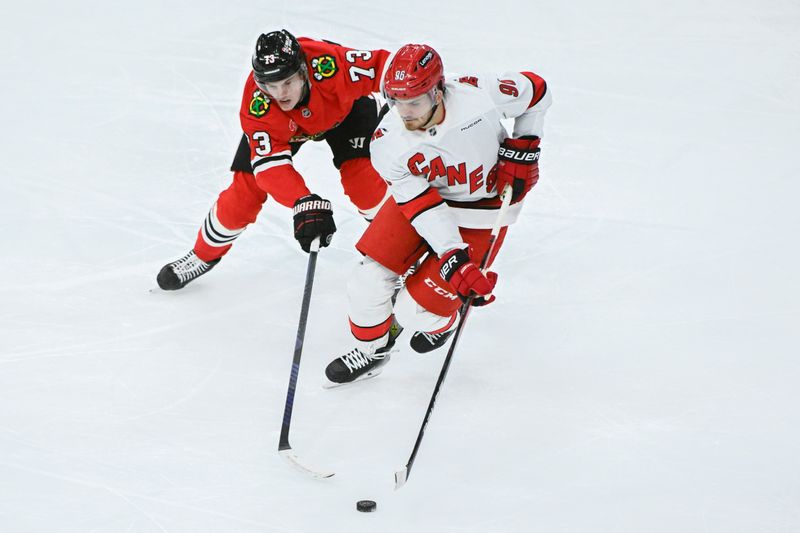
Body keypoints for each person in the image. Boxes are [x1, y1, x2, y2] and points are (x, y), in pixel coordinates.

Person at [324, 44, 552, 385]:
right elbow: (421, 207)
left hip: (484, 212)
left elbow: (537, 91)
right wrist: (452, 257)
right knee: (366, 283)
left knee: (414, 313)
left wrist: (525, 147)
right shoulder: (387, 141)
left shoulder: (479, 94)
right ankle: (373, 351)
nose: (405, 112)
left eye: (414, 101)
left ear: (438, 90)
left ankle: (445, 319)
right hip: (424, 204)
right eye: (396, 100)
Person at [157, 30, 392, 290]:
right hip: (286, 129)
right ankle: (203, 254)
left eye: (288, 82)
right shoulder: (258, 104)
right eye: (271, 85)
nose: (280, 93)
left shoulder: (330, 63)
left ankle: (402, 250)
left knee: (364, 182)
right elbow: (270, 167)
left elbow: (387, 68)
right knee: (244, 191)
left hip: (346, 111)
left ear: (304, 71)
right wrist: (303, 202)